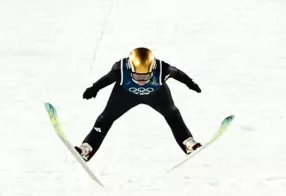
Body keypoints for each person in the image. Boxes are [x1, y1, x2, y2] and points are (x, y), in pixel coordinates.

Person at [74, 47, 203, 161]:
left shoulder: (163, 69)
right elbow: (107, 79)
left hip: (157, 95)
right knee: (106, 118)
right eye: (137, 76)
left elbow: (178, 74)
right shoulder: (120, 69)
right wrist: (93, 89)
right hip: (124, 96)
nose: (141, 81)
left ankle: (188, 143)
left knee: (173, 114)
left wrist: (190, 83)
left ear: (153, 68)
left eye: (146, 77)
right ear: (130, 69)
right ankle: (87, 147)